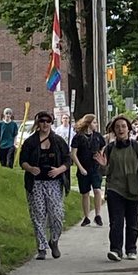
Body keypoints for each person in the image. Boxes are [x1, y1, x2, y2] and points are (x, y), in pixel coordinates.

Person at [96, 116, 138, 262]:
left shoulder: (136, 147)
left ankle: (131, 249)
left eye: (123, 126)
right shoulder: (109, 148)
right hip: (115, 189)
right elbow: (105, 172)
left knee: (132, 222)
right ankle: (115, 250)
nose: (120, 129)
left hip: (133, 189)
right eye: (117, 127)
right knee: (116, 221)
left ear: (128, 129)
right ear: (113, 130)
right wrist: (102, 165)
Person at [20, 111, 71, 259]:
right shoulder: (30, 142)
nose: (45, 124)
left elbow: (68, 160)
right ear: (37, 123)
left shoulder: (58, 141)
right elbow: (22, 161)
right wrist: (30, 168)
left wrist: (59, 170)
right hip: (36, 183)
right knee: (38, 215)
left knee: (57, 214)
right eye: (42, 121)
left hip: (54, 182)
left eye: (48, 121)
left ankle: (54, 240)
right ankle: (41, 248)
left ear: (51, 123)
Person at [71, 114, 106, 227]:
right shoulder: (78, 137)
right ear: (88, 123)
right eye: (94, 122)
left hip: (95, 167)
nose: (96, 124)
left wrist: (100, 155)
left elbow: (103, 146)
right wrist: (80, 168)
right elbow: (73, 154)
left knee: (97, 190)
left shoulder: (97, 136)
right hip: (83, 168)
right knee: (85, 193)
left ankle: (98, 214)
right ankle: (86, 217)